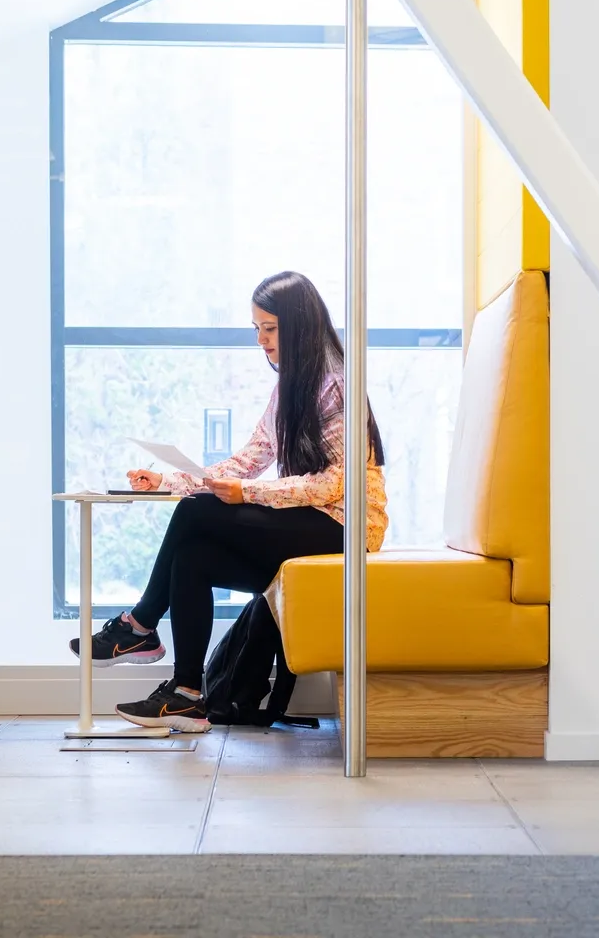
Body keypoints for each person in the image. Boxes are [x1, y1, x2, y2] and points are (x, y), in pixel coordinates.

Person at [75, 271, 388, 734]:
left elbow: (335, 485)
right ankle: (186, 694)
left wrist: (247, 494)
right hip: (307, 522)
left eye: (271, 328)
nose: (261, 341)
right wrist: (169, 480)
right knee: (193, 557)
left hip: (345, 528)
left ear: (299, 325)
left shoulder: (337, 384)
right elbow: (248, 461)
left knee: (196, 514)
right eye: (257, 330)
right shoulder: (290, 387)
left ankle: (139, 625)